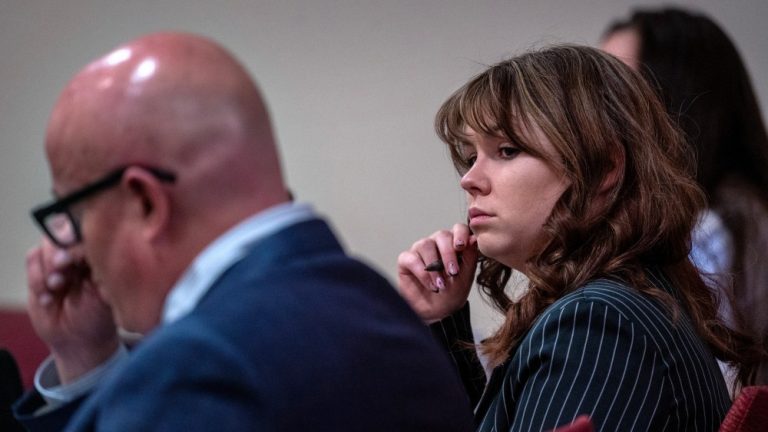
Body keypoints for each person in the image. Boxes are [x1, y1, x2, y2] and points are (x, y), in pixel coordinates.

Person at [13, 32, 474, 431]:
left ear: (146, 202)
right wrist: (85, 357)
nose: (75, 248)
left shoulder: (198, 368)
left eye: (78, 213)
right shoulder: (375, 303)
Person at [397, 45, 761, 431]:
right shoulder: (625, 301)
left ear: (604, 168)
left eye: (507, 149)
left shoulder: (598, 321)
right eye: (471, 157)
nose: (469, 180)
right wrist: (440, 318)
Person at [602, 7, 768, 385]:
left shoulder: (709, 229)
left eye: (613, 89)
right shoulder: (740, 209)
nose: (593, 111)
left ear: (674, 96)